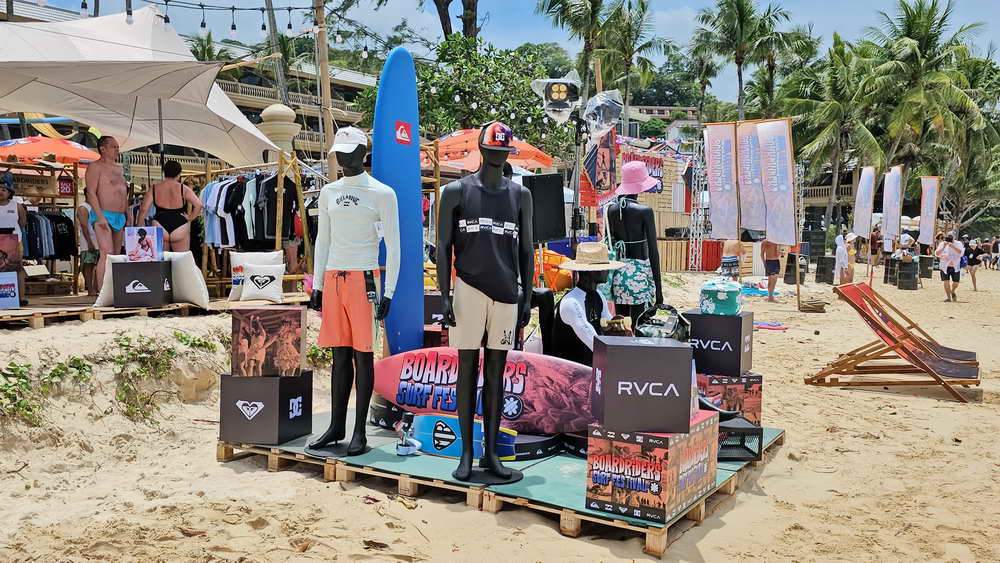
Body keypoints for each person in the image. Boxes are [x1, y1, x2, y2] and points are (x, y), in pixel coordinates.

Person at [551, 242, 623, 366]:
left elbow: (609, 327)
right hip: (570, 372)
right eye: (604, 267)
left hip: (590, 367)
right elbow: (594, 343)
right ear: (592, 272)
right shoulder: (572, 303)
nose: (608, 271)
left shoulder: (598, 295)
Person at [85, 136, 131, 288]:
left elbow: (123, 193)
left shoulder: (119, 168)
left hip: (119, 215)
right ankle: (102, 290)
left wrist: (128, 214)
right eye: (113, 146)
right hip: (103, 213)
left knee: (116, 255)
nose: (117, 149)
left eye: (117, 147)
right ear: (102, 148)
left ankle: (113, 288)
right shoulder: (95, 167)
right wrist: (100, 216)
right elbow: (91, 193)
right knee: (106, 252)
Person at [136, 160, 202, 252]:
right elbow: (199, 205)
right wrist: (190, 218)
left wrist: (138, 227)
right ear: (179, 174)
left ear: (164, 172)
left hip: (159, 224)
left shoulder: (154, 188)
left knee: (162, 259)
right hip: (180, 224)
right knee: (180, 259)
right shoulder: (183, 188)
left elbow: (144, 209)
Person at [0, 174, 27, 305]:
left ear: (9, 192)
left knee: (17, 269)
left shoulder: (17, 206)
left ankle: (21, 297)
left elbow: (23, 222)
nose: (0, 192)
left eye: (3, 190)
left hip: (15, 241)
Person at [74, 201, 100, 296]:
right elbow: (84, 226)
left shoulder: (96, 205)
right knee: (89, 265)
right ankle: (90, 289)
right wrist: (89, 242)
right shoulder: (83, 208)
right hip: (88, 242)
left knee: (97, 265)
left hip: (98, 241)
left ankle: (96, 288)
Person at [935, 232, 964, 302]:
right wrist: (944, 246)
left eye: (951, 236)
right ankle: (948, 297)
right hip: (944, 266)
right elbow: (937, 253)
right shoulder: (942, 244)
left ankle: (953, 291)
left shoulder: (958, 243)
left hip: (955, 266)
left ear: (954, 237)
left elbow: (961, 253)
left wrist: (953, 246)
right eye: (948, 236)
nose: (949, 238)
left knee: (956, 283)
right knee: (946, 282)